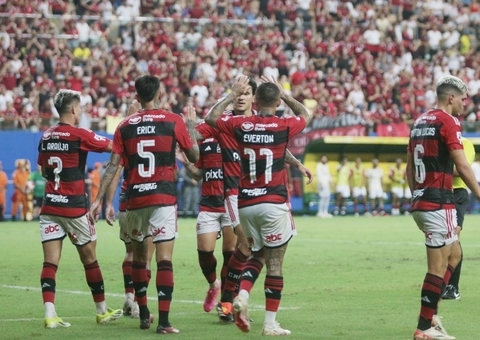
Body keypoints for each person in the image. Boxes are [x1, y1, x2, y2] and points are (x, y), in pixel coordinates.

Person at [188, 76, 312, 323]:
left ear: (254, 98)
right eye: (239, 93)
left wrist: (296, 162)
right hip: (235, 193)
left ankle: (230, 301)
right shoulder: (229, 121)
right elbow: (193, 135)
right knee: (246, 250)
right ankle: (228, 297)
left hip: (244, 197)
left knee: (243, 250)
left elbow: (277, 145)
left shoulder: (246, 123)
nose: (242, 97)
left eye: (246, 93)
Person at [89, 75, 199, 334]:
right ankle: (163, 322)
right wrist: (191, 127)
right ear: (160, 94)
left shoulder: (124, 125)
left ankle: (143, 313)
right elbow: (193, 155)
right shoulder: (174, 121)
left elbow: (113, 167)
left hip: (135, 199)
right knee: (164, 259)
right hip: (163, 198)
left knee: (138, 258)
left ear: (136, 97)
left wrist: (97, 200)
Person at [37, 89, 123, 329]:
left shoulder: (45, 136)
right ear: (74, 110)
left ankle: (50, 314)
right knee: (90, 259)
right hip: (74, 208)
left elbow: (43, 169)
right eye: (81, 109)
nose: (81, 113)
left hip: (49, 206)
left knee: (50, 263)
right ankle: (102, 311)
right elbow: (112, 147)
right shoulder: (79, 134)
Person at [406, 76, 480, 340]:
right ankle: (425, 327)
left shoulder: (419, 122)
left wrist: (417, 194)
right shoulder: (449, 121)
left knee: (454, 254)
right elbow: (462, 166)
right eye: (462, 99)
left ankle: (432, 313)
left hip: (421, 200)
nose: (464, 104)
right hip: (438, 201)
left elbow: (407, 168)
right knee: (437, 268)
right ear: (451, 98)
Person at [103, 101, 155, 319]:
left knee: (130, 252)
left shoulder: (123, 135)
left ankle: (128, 295)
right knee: (147, 257)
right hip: (149, 199)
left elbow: (115, 171)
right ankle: (138, 305)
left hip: (126, 200)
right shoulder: (151, 135)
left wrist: (109, 203)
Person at [176, 131, 237, 314]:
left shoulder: (236, 136)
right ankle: (213, 285)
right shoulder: (204, 142)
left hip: (230, 203)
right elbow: (198, 174)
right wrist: (186, 162)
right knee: (204, 254)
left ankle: (226, 304)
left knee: (230, 254)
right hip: (209, 205)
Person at [442, 137, 475, 300]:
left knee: (454, 237)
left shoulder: (465, 143)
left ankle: (453, 287)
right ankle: (442, 283)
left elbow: (461, 169)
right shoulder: (438, 142)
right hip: (439, 192)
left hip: (457, 193)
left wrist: (438, 167)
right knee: (439, 238)